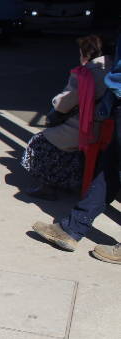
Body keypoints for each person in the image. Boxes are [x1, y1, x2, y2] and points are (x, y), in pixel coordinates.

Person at [32, 33, 121, 264]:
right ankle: (72, 228)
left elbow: (65, 102)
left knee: (111, 169)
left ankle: (71, 226)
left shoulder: (84, 73)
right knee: (108, 171)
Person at [22, 35, 111, 200]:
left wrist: (55, 100)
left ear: (86, 55)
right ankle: (72, 180)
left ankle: (48, 185)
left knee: (40, 142)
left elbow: (63, 104)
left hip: (83, 128)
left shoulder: (84, 74)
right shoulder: (113, 70)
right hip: (104, 127)